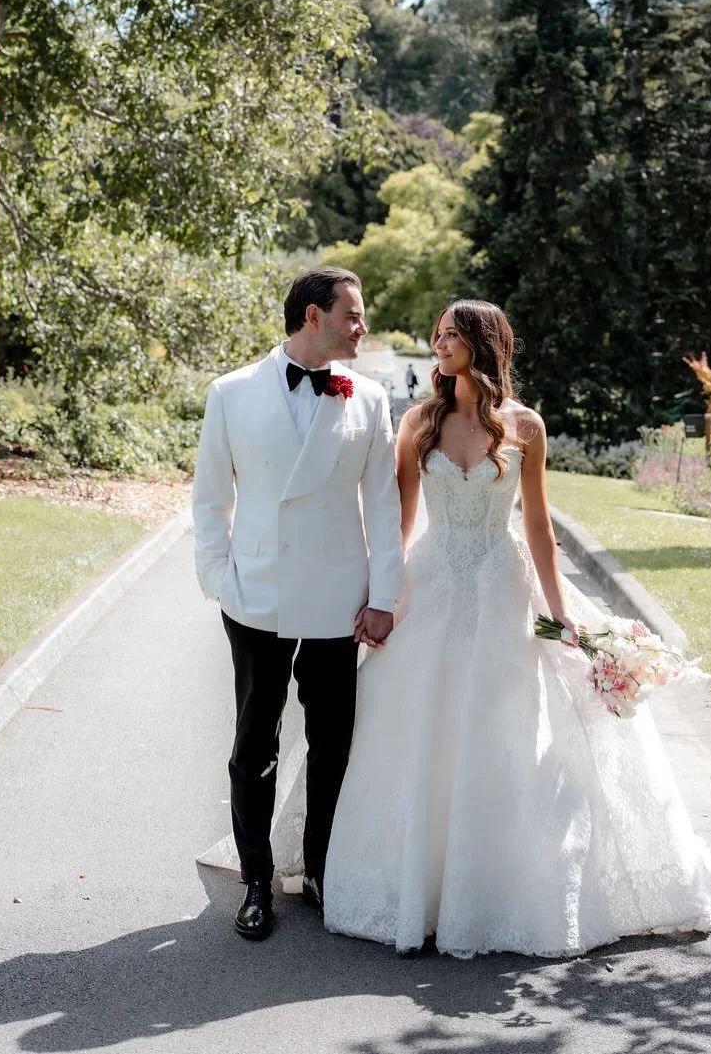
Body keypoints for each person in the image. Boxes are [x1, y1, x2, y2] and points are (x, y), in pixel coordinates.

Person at [322, 299, 711, 958]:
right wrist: (380, 596)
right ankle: (415, 883)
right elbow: (400, 520)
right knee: (417, 720)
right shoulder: (419, 420)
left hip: (501, 588)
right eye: (438, 335)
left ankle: (494, 887)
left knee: (500, 725)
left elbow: (536, 525)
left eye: (451, 335)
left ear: (483, 344)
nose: (439, 345)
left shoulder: (526, 425)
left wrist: (561, 611)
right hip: (432, 583)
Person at [192, 267, 403, 941]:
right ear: (314, 316)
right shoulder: (231, 393)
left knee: (333, 740)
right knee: (255, 740)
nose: (362, 327)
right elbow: (209, 498)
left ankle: (319, 870)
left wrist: (385, 596)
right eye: (353, 314)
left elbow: (385, 504)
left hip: (339, 598)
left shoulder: (370, 398)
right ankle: (256, 879)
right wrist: (220, 578)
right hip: (257, 593)